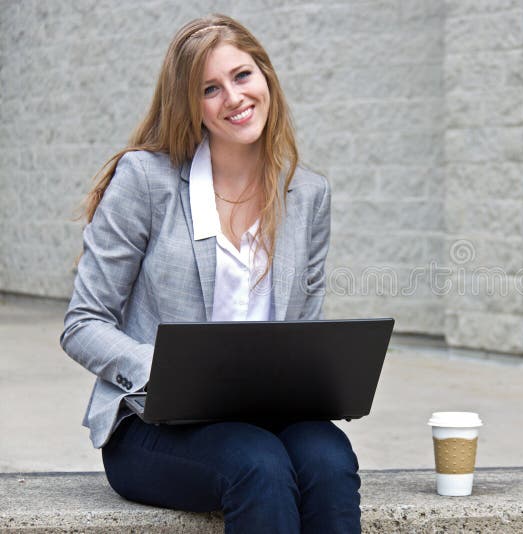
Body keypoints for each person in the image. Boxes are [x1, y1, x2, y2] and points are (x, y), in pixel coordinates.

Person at [60, 14, 360, 533]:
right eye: (210, 89)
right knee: (258, 464)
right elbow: (83, 323)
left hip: (266, 416)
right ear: (190, 105)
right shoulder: (145, 181)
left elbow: (304, 329)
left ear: (265, 76)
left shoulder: (308, 195)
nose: (234, 98)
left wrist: (322, 380)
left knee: (329, 460)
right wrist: (167, 369)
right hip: (153, 424)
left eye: (242, 76)